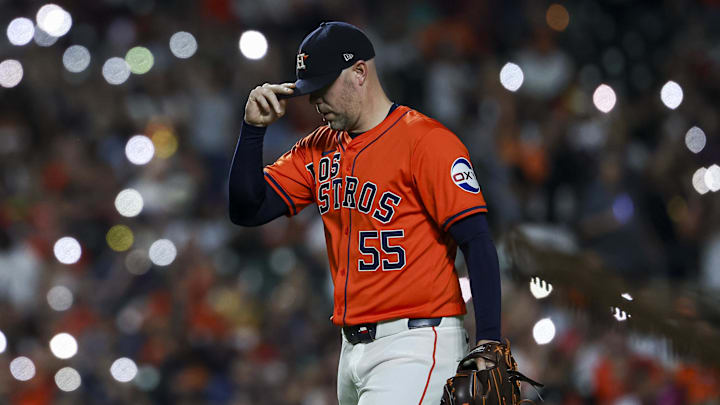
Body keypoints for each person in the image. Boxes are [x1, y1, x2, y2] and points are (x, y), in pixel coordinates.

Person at [228, 21, 501, 404]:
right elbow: (247, 209)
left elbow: (477, 241)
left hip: (416, 342)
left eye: (322, 88)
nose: (315, 101)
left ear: (359, 72)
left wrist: (490, 339)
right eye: (309, 91)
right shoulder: (317, 148)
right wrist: (252, 130)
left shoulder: (427, 142)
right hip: (351, 349)